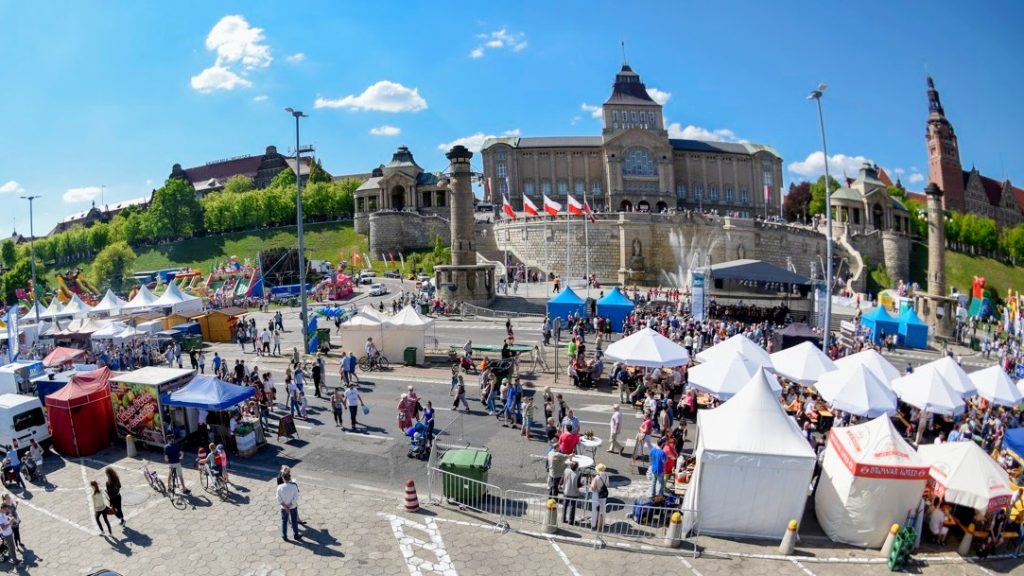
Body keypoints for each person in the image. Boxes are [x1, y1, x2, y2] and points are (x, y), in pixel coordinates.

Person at [276, 469, 302, 541]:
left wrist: (285, 506)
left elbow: (278, 498)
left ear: (283, 479)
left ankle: (284, 536)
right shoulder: (294, 486)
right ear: (290, 478)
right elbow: (296, 497)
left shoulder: (279, 487)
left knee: (284, 522)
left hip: (284, 508)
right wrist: (290, 505)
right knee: (294, 521)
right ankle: (296, 535)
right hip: (293, 507)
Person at [562, 461, 583, 525]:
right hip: (574, 493)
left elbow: (563, 479)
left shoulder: (566, 471)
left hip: (566, 491)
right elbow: (578, 485)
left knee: (565, 506)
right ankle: (571, 521)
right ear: (576, 467)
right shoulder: (578, 474)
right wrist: (582, 483)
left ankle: (563, 519)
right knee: (572, 507)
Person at [590, 463, 609, 531]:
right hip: (603, 495)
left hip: (596, 495)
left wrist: (592, 480)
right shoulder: (607, 476)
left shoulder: (596, 478)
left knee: (595, 510)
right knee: (602, 510)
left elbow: (593, 488)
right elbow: (607, 485)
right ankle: (601, 524)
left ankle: (593, 525)